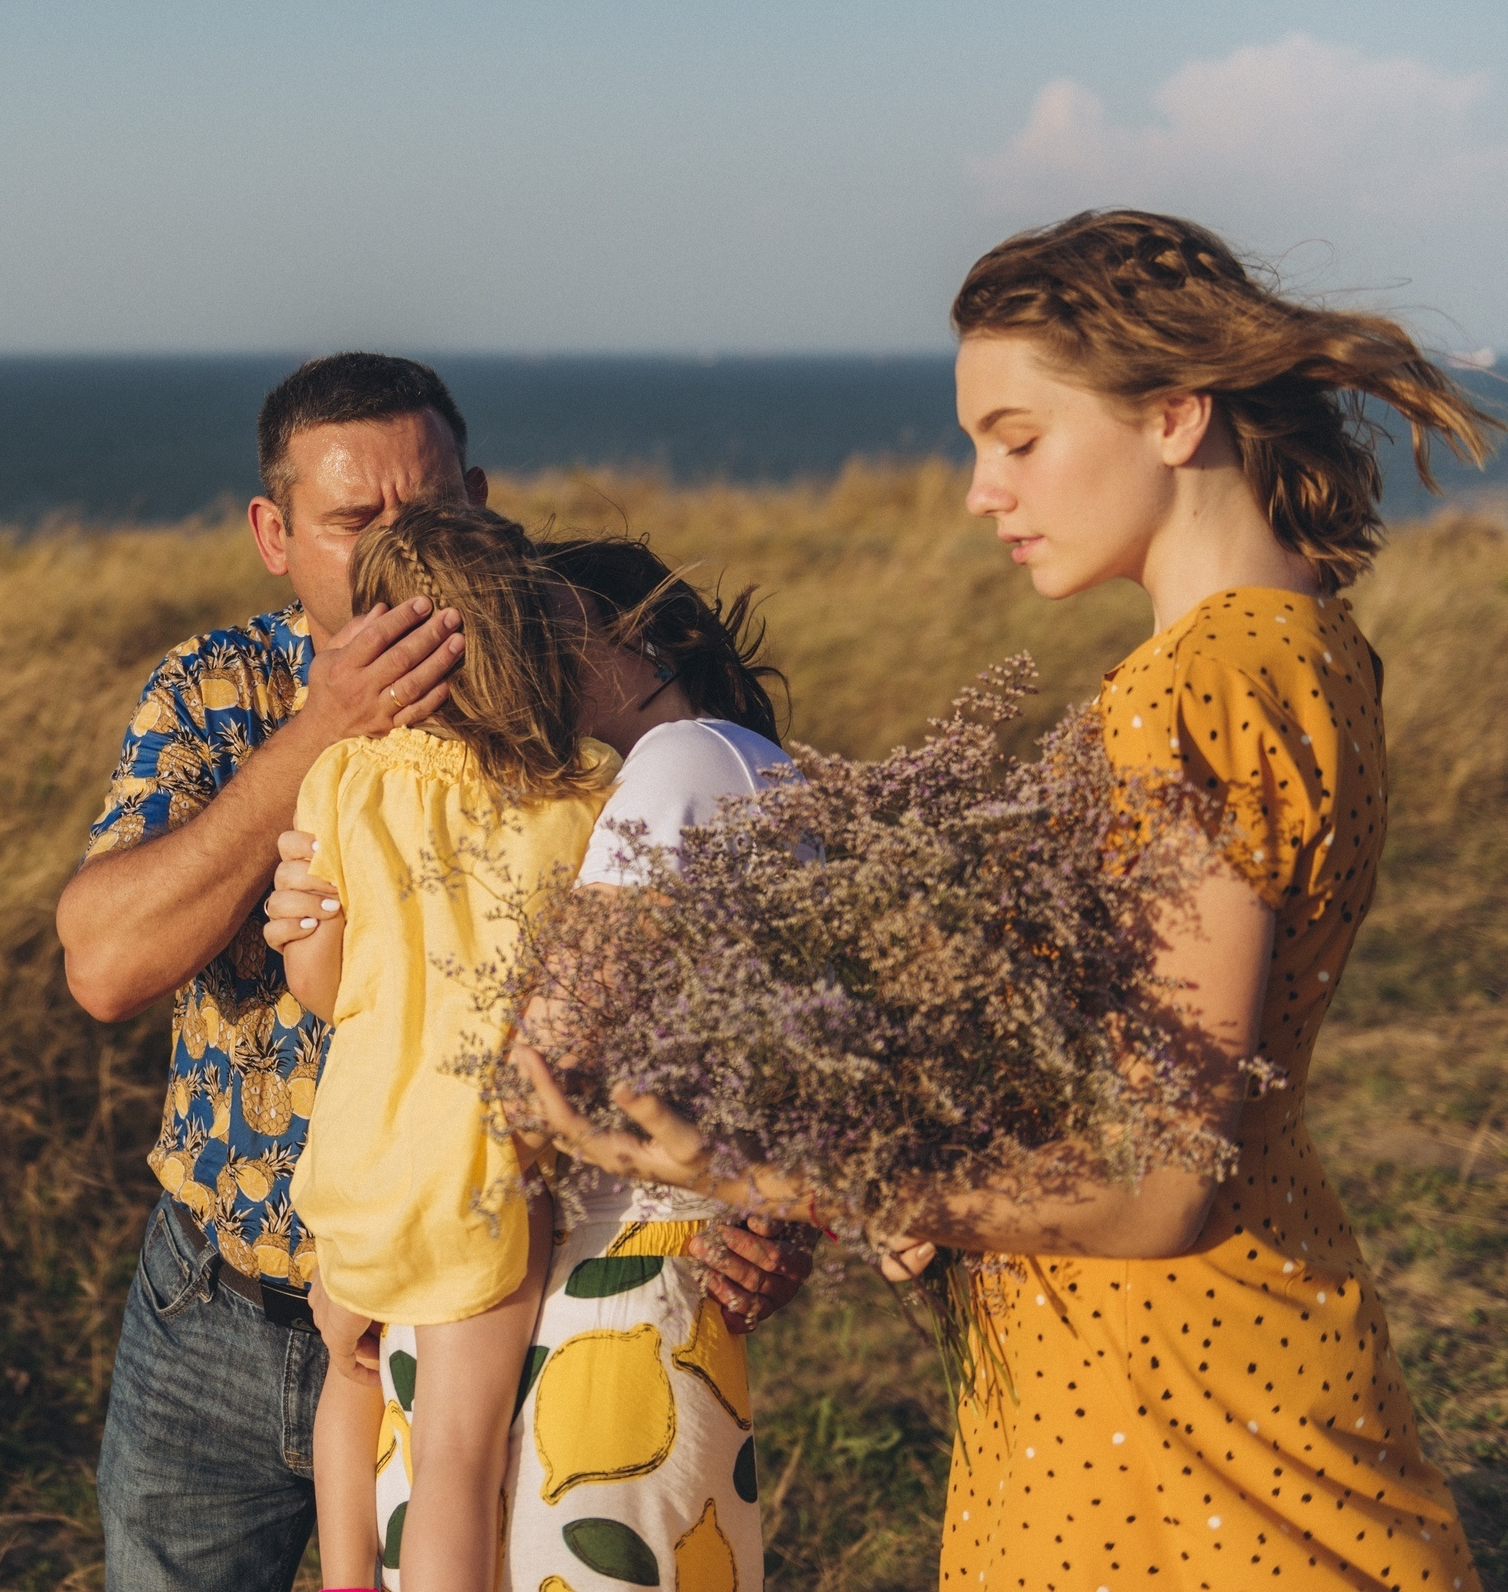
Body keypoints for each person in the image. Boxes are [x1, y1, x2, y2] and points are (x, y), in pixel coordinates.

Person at [517, 210, 1502, 1589]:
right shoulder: (1310, 649)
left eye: (1017, 438)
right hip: (1178, 1355)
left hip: (1170, 1421)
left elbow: (1157, 1183)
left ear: (1174, 414)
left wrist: (756, 1164)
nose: (981, 489)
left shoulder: (1197, 689)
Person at [66, 352, 814, 1592]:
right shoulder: (218, 692)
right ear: (274, 533)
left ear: (483, 502)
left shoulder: (571, 692)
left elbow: (719, 994)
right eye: (354, 523)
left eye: (431, 516)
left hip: (501, 1279)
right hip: (230, 1292)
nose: (397, 555)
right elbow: (101, 963)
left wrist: (770, 1200)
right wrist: (322, 732)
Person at [269, 533, 801, 1592]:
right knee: (460, 1474)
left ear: (644, 633)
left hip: (568, 1244)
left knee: (421, 1454)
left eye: (547, 618)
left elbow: (546, 1054)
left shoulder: (668, 766)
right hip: (539, 1225)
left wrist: (383, 1218)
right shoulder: (616, 788)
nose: (524, 648)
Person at [278, 503, 620, 1592]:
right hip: (474, 1166)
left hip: (354, 1151)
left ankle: (342, 1576)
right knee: (455, 1455)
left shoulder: (341, 776)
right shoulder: (580, 791)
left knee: (348, 1375)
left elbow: (318, 982)